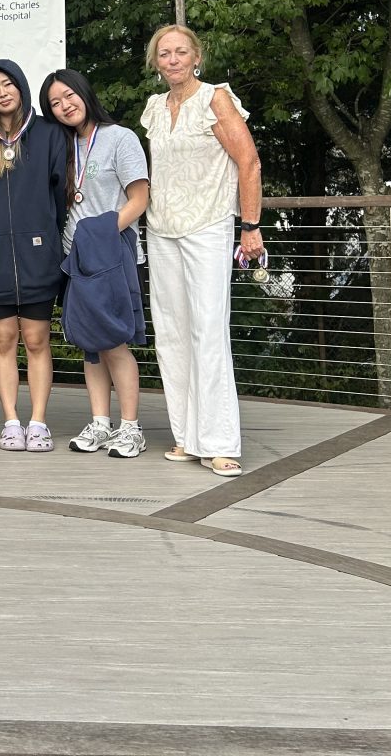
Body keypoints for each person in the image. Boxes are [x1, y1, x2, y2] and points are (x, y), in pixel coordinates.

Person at [140, 24, 263, 478]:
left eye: (180, 52)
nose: (171, 59)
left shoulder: (215, 99)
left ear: (196, 57)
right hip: (162, 227)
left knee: (209, 330)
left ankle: (220, 441)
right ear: (157, 62)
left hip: (208, 225)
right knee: (172, 331)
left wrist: (250, 227)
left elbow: (248, 162)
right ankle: (187, 437)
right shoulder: (155, 107)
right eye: (164, 53)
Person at [0, 60, 67, 452]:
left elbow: (59, 194)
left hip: (39, 256)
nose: (2, 92)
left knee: (37, 339)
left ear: (21, 87)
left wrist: (45, 235)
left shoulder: (49, 135)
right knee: (3, 339)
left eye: (8, 84)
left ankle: (38, 422)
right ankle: (11, 421)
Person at [43, 69, 150, 459]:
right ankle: (101, 423)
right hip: (75, 260)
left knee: (115, 342)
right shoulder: (61, 145)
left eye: (69, 95)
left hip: (111, 254)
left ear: (85, 93)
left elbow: (139, 198)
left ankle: (131, 428)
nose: (64, 105)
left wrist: (99, 233)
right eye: (55, 103)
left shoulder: (121, 138)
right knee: (90, 346)